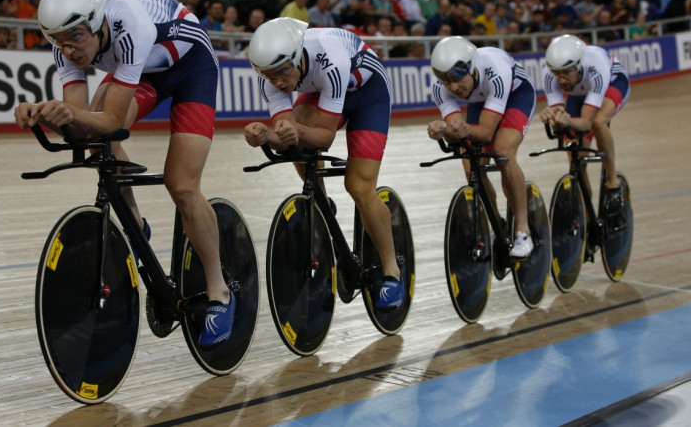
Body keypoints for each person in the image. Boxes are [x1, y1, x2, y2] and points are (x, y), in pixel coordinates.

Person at [12, 0, 234, 348]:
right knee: (97, 138)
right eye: (59, 42)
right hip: (145, 68)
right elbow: (82, 125)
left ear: (99, 23)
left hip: (191, 65)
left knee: (181, 185)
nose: (68, 50)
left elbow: (112, 122)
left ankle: (219, 289)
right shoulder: (65, 45)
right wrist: (44, 113)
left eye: (77, 38)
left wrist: (68, 113)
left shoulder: (129, 24)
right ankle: (137, 224)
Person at [244, 17, 405, 311]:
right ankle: (322, 202)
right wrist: (266, 134)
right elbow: (285, 133)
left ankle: (392, 271)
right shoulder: (270, 75)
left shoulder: (329, 57)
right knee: (296, 146)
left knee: (359, 186)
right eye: (270, 76)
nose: (278, 82)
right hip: (322, 89)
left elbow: (325, 137)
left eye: (282, 73)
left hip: (369, 94)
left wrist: (293, 132)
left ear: (296, 57)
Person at [426, 36, 537, 258]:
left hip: (517, 94)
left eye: (457, 78)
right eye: (446, 81)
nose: (453, 87)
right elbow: (458, 132)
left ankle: (523, 230)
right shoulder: (441, 88)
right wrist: (443, 129)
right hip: (481, 100)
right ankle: (496, 224)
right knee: (471, 167)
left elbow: (485, 133)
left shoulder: (495, 70)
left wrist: (456, 129)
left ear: (473, 67)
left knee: (503, 152)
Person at [539, 34, 630, 213]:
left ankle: (613, 182)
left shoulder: (597, 66)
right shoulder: (549, 75)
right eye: (557, 73)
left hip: (612, 83)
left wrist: (568, 121)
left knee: (598, 122)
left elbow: (587, 124)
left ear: (580, 66)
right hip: (578, 94)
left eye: (567, 72)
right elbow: (561, 125)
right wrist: (554, 120)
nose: (561, 80)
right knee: (577, 159)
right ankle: (587, 216)